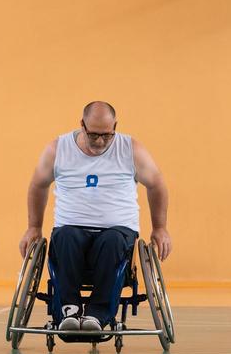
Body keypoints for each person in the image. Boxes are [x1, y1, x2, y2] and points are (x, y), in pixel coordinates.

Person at [18, 101, 172, 338]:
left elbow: (157, 184)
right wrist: (34, 227)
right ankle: (68, 312)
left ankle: (98, 314)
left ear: (115, 127)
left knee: (112, 241)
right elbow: (38, 185)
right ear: (82, 125)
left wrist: (160, 228)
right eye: (93, 135)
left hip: (117, 230)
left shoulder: (130, 148)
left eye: (106, 135)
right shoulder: (58, 148)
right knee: (65, 236)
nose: (100, 141)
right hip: (71, 228)